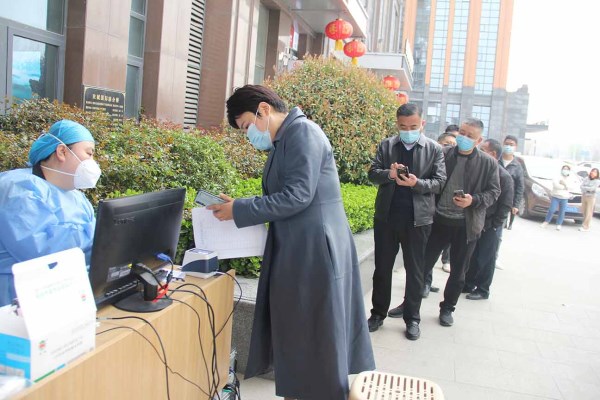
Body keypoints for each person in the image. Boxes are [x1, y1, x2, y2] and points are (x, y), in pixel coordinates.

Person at [207, 85, 375, 400]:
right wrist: (238, 206)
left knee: (316, 333)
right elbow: (285, 195)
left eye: (247, 125)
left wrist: (240, 210)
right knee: (302, 330)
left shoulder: (303, 133)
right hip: (302, 246)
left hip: (315, 250)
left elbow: (297, 195)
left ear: (264, 109)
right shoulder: (285, 139)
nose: (249, 135)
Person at [367, 103, 446, 340]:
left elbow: (439, 182)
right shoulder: (387, 145)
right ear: (397, 124)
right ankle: (377, 314)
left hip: (418, 220)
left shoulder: (434, 149)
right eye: (403, 126)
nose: (408, 130)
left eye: (413, 126)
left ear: (422, 123)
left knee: (415, 271)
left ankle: (412, 319)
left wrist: (416, 183)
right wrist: (389, 174)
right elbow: (372, 174)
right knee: (382, 268)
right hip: (387, 217)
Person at [0, 120, 100, 307]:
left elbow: (96, 246)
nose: (92, 162)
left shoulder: (77, 197)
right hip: (18, 299)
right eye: (89, 153)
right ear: (62, 151)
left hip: (65, 291)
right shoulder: (17, 188)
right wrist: (101, 235)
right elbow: (42, 251)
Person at [422, 118, 500, 327]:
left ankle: (447, 308)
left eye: (470, 136)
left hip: (466, 226)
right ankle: (409, 304)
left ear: (479, 140)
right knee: (422, 266)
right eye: (462, 133)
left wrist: (473, 200)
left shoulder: (488, 163)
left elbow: (494, 192)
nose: (464, 138)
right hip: (438, 221)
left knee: (458, 273)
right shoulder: (443, 154)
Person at [464, 139, 513, 300]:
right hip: (475, 220)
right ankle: (468, 283)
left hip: (490, 224)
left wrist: (494, 224)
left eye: (483, 149)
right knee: (472, 255)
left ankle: (483, 289)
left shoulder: (504, 176)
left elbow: (505, 205)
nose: (479, 151)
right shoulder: (481, 170)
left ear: (493, 154)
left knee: (486, 258)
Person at [494, 134, 524, 269]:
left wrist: (515, 205)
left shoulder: (517, 166)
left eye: (511, 145)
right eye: (507, 144)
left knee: (498, 232)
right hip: (490, 199)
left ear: (515, 147)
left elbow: (520, 187)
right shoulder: (496, 160)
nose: (508, 146)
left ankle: (494, 257)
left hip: (504, 203)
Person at [437, 130, 458, 274]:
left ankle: (446, 260)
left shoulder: (456, 161)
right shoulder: (432, 157)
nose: (450, 147)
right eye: (446, 144)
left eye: (453, 145)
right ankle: (425, 281)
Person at [541, 165, 576, 231]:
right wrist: (565, 187)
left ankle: (559, 224)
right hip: (556, 196)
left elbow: (572, 187)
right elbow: (556, 185)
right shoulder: (557, 176)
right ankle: (546, 222)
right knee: (552, 210)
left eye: (567, 169)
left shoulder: (571, 178)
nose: (565, 170)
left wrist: (565, 185)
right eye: (564, 169)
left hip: (565, 197)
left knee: (562, 212)